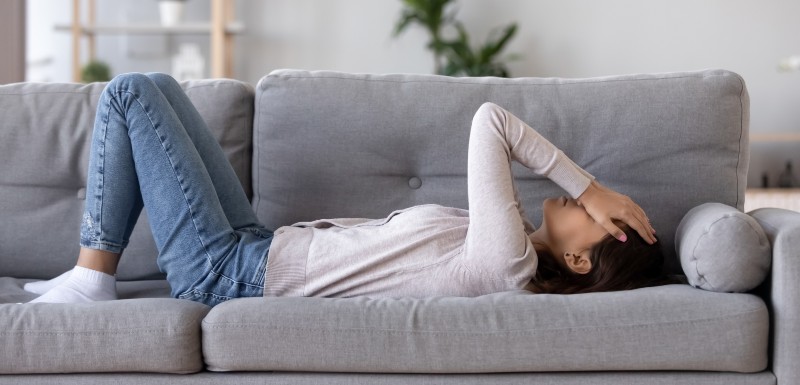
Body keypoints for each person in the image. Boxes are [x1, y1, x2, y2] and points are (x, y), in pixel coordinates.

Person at [25, 73, 669, 307]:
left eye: (597, 216)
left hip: (228, 273)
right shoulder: (501, 243)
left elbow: (490, 121)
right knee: (161, 86)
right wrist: (594, 196)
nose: (589, 204)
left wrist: (593, 184)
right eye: (598, 204)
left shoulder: (507, 260)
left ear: (580, 259)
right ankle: (89, 279)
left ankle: (92, 278)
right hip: (255, 246)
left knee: (129, 93)